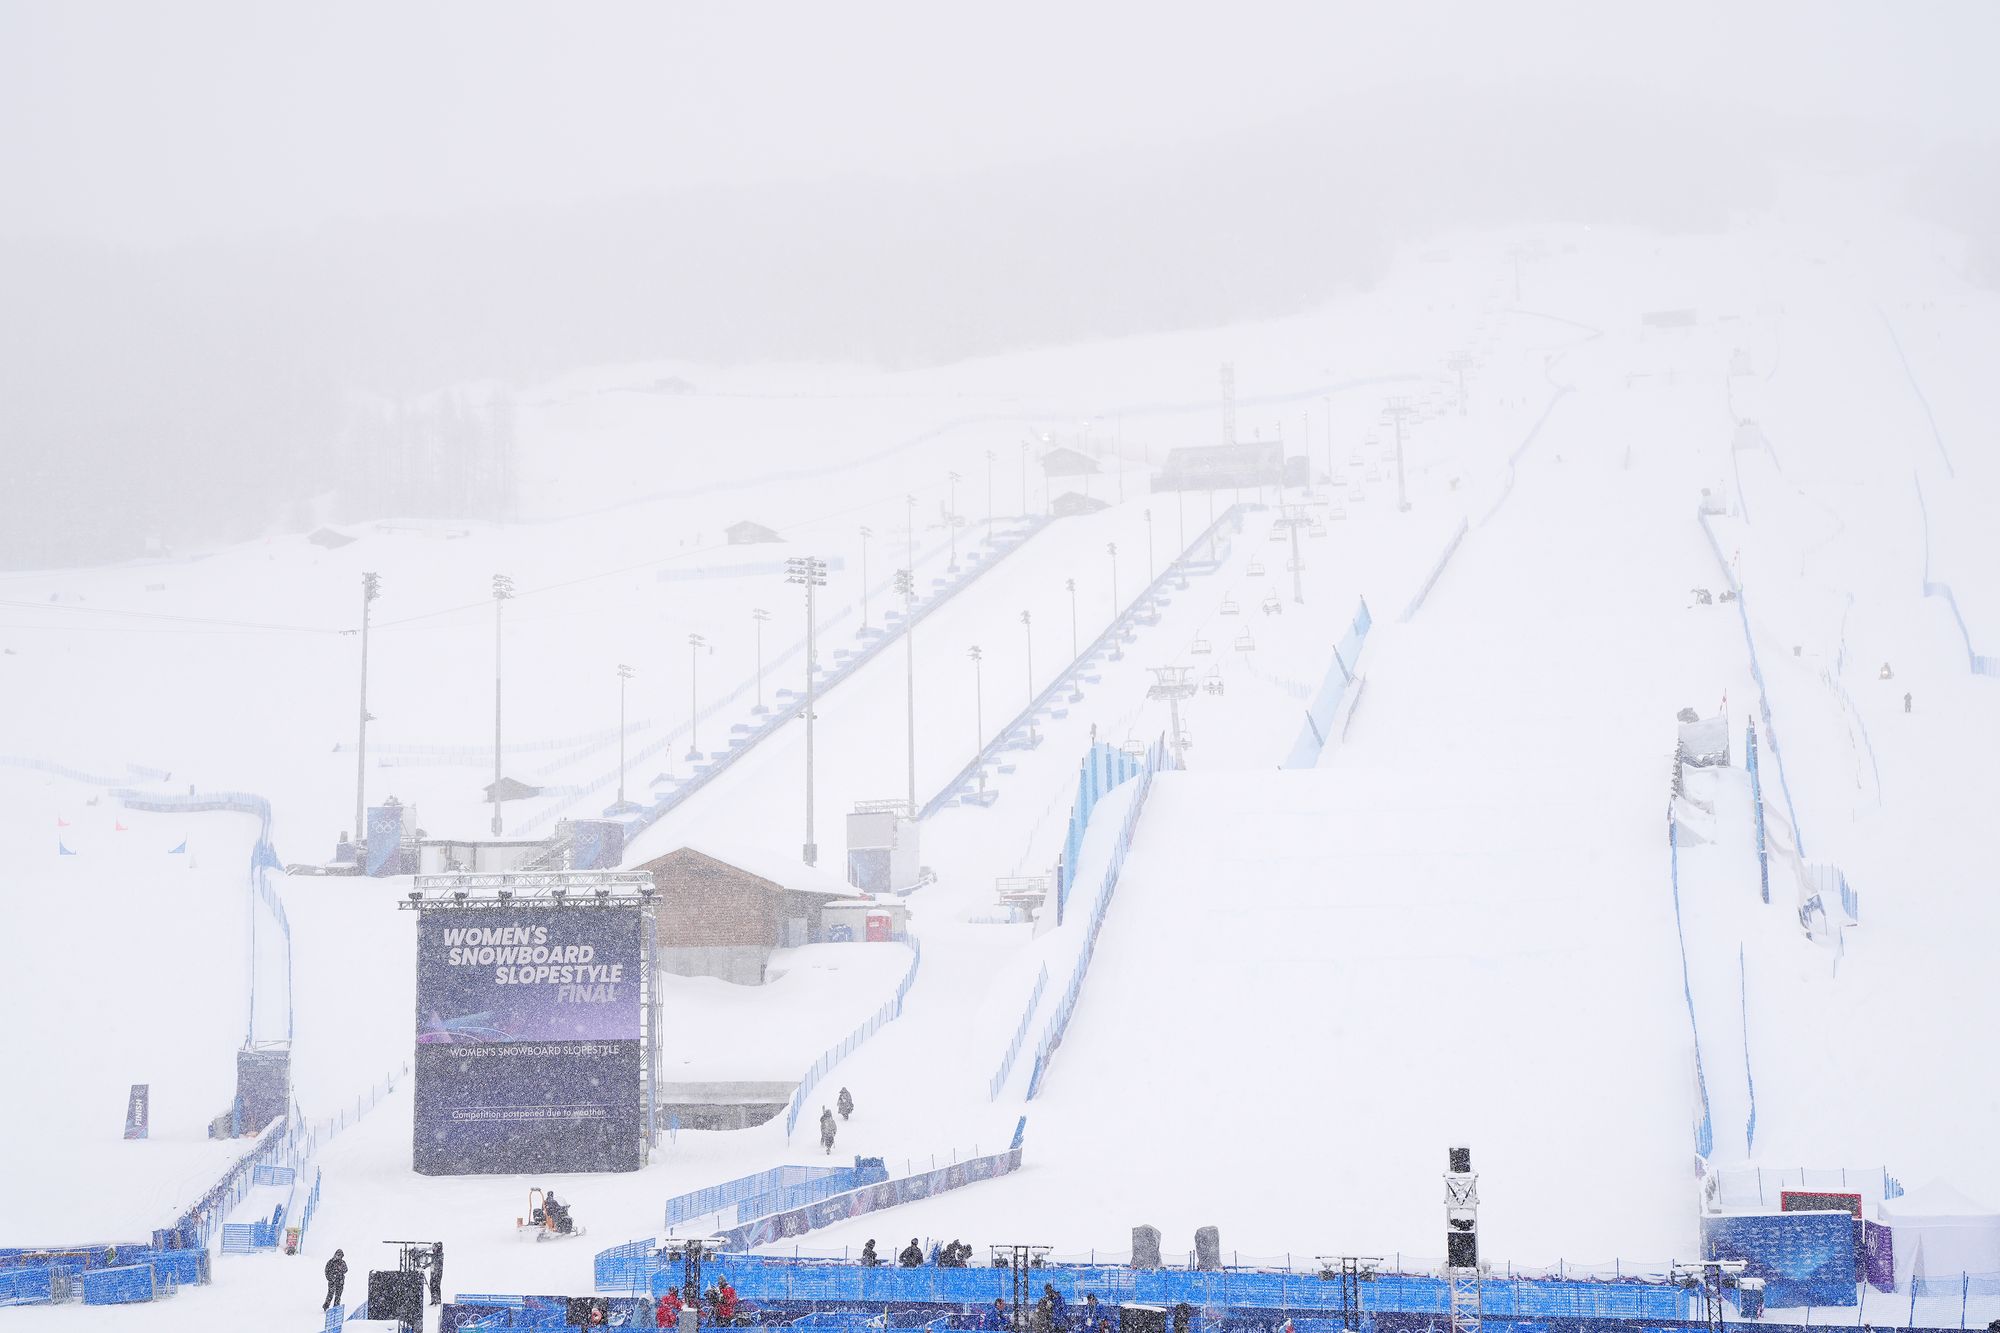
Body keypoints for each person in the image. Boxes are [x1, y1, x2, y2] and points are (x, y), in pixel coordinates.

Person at [430, 1241, 444, 1306]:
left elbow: (435, 1262)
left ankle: (438, 1300)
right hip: (433, 1272)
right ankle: (433, 1299)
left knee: (436, 1286)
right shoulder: (435, 1255)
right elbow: (432, 1263)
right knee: (432, 1285)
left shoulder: (440, 1254)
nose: (433, 1248)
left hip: (437, 1273)